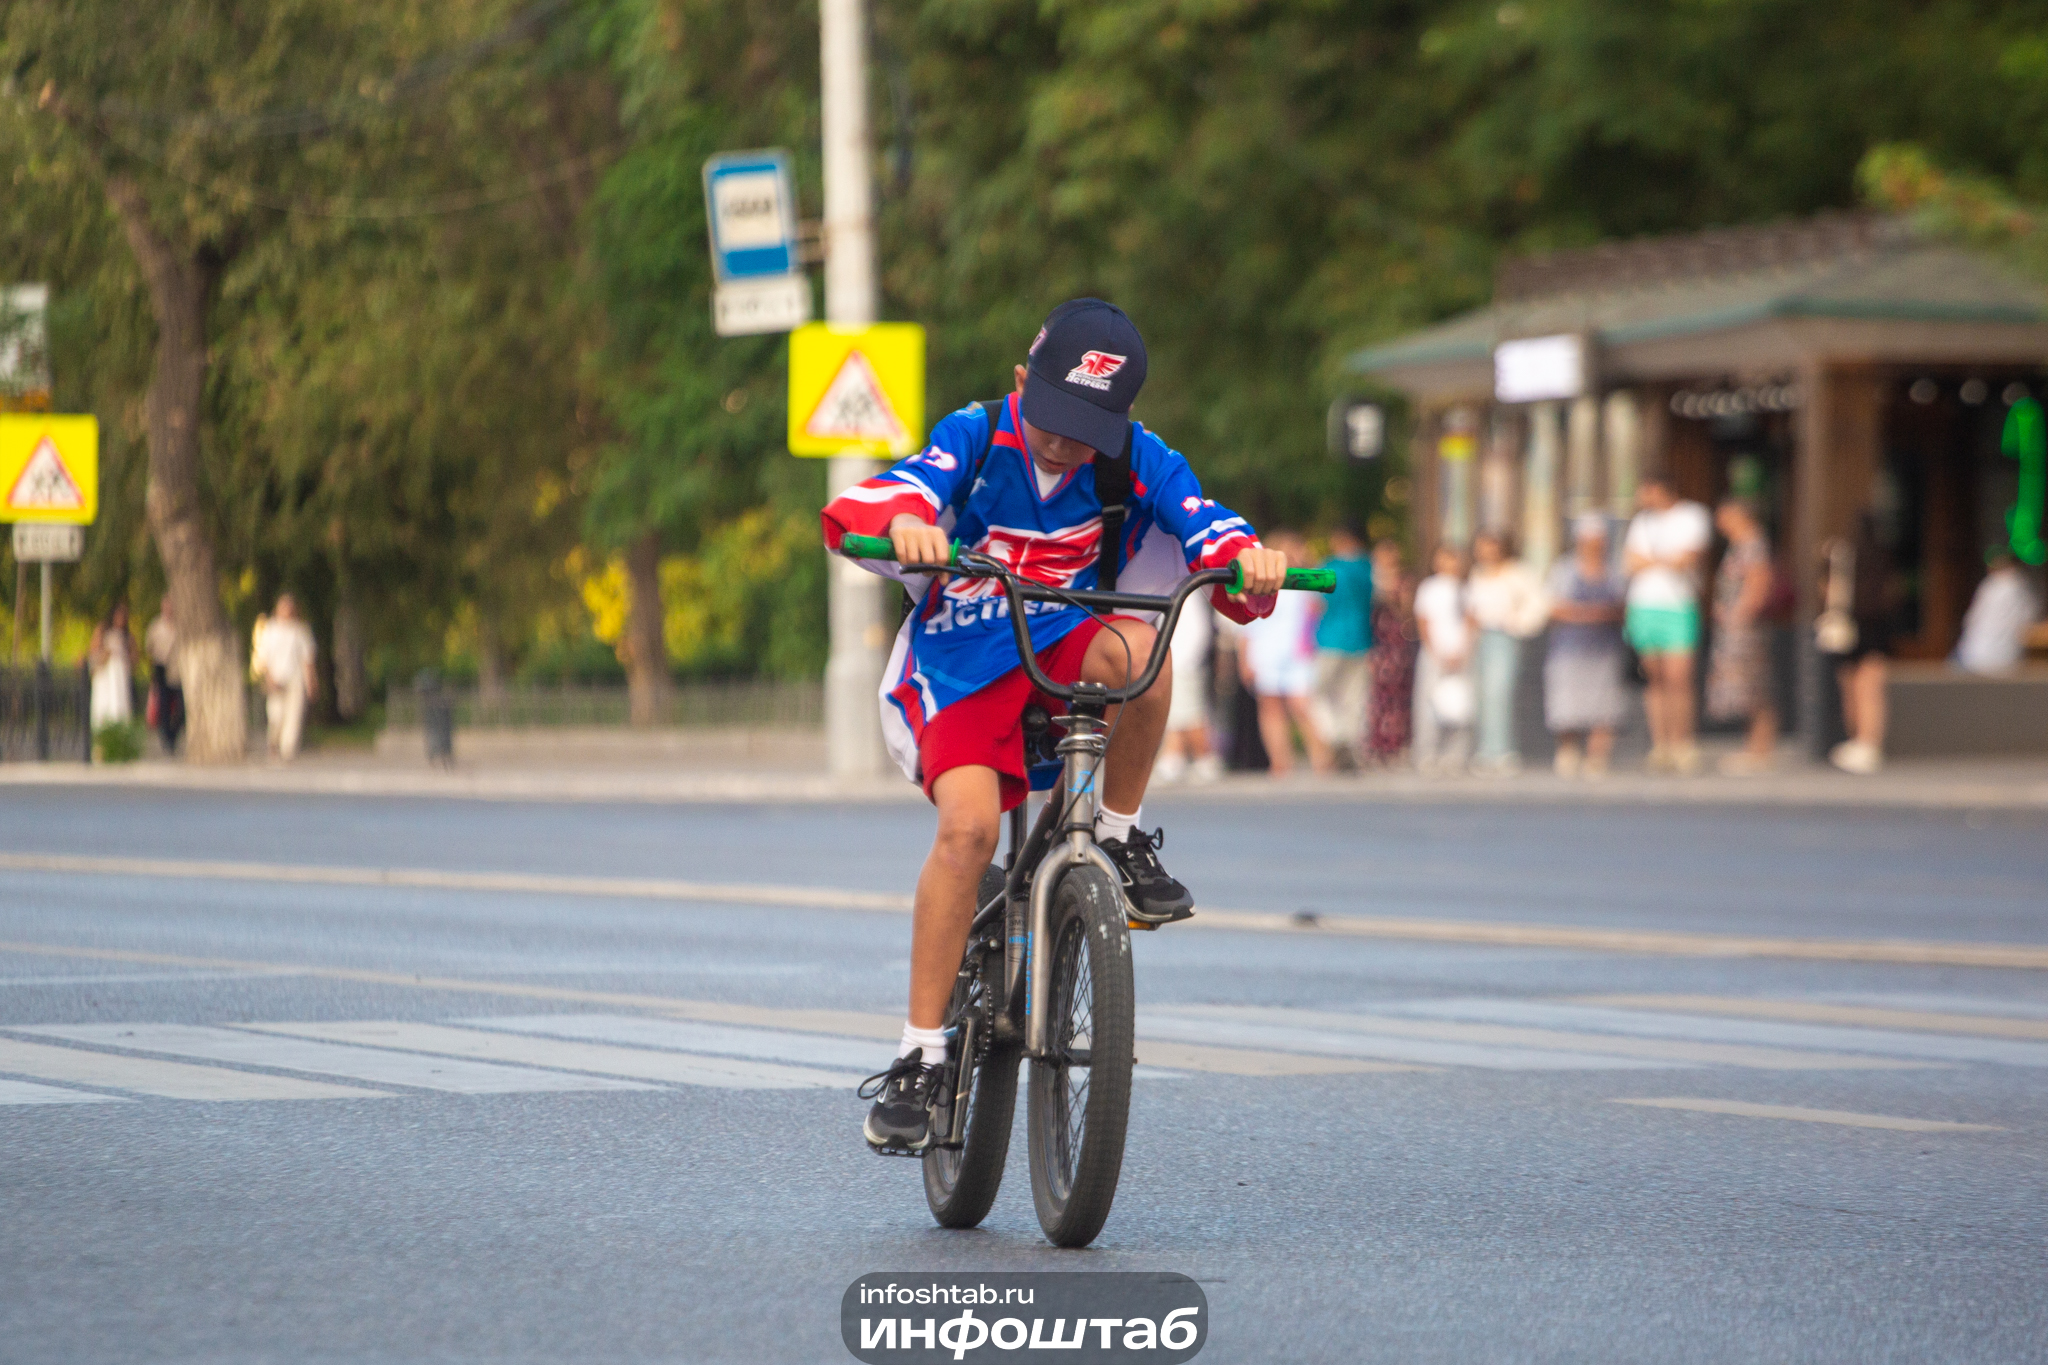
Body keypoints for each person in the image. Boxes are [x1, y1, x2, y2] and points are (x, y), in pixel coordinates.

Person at [821, 298, 1287, 1154]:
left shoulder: (1136, 457)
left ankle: (1116, 835)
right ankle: (919, 1057)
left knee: (1144, 650)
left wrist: (1247, 559)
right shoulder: (975, 434)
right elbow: (896, 493)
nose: (1068, 444)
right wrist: (909, 527)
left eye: (1089, 430)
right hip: (962, 662)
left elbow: (1204, 521)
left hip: (1062, 639)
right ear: (1020, 381)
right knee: (968, 832)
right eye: (1054, 419)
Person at [1623, 474, 1712, 773]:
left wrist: (1652, 561)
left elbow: (1689, 558)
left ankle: (1682, 743)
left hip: (1678, 605)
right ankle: (1660, 744)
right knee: (1654, 677)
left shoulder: (1692, 515)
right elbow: (1631, 562)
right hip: (1643, 605)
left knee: (1679, 677)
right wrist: (1666, 560)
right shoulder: (1641, 522)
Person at [1240, 530, 1333, 778]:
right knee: (1271, 708)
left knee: (1302, 706)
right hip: (1265, 652)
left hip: (1298, 655)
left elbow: (1319, 613)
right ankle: (1280, 761)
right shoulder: (1260, 584)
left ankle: (1322, 758)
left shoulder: (1306, 582)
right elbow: (1248, 626)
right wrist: (1245, 659)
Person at [1543, 514, 1628, 777]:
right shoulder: (1564, 569)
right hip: (1569, 648)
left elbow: (1623, 607)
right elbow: (1553, 607)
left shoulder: (1614, 570)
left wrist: (1589, 613)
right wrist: (1591, 614)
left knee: (1604, 701)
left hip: (1604, 647)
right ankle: (1568, 750)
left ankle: (1597, 755)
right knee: (1567, 699)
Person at [1705, 498, 1779, 774]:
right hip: (1733, 628)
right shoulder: (1739, 545)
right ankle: (1753, 746)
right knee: (1745, 689)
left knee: (1754, 686)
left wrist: (1740, 614)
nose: (1719, 523)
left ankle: (1761, 749)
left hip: (1746, 631)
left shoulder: (1753, 544)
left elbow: (1759, 583)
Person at [1466, 528, 1547, 774]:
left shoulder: (1517, 573)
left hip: (1504, 637)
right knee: (1480, 694)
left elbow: (1538, 604)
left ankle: (1502, 750)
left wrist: (1516, 623)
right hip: (1479, 638)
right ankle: (1484, 749)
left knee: (1499, 692)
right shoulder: (1475, 574)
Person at [1821, 511, 1896, 775]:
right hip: (1874, 628)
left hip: (1851, 627)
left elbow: (1828, 589)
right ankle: (1868, 742)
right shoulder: (1881, 557)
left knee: (1853, 688)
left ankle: (1859, 740)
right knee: (1870, 689)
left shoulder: (1841, 554)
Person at [1309, 524, 1374, 769]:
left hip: (1331, 638)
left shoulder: (1330, 566)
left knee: (1318, 694)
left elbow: (1317, 604)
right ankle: (1350, 739)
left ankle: (1335, 736)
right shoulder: (1368, 567)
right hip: (1361, 638)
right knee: (1354, 697)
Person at [1412, 542, 1473, 774]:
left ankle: (1455, 754)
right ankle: (1427, 753)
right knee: (1428, 705)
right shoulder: (1428, 588)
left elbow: (1471, 621)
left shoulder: (1465, 588)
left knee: (1460, 705)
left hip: (1460, 655)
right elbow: (1423, 621)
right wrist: (1435, 652)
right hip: (1434, 654)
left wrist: (1462, 651)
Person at [1152, 591, 1222, 783]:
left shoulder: (1188, 595)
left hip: (1182, 663)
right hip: (1176, 662)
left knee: (1191, 714)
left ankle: (1204, 758)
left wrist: (1181, 662)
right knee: (1177, 713)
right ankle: (1174, 758)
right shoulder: (1181, 592)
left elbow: (1198, 631)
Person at [1365, 541, 1418, 767]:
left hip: (1397, 644)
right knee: (1378, 697)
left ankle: (1396, 745)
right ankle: (1377, 745)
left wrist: (1394, 595)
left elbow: (1407, 612)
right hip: (1378, 643)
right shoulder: (1369, 578)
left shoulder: (1404, 581)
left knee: (1398, 697)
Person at [252, 593, 318, 761]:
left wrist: (311, 681)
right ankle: (273, 744)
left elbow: (307, 659)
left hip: (295, 678)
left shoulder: (300, 630)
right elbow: (263, 657)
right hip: (276, 676)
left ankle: (288, 750)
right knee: (276, 714)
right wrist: (268, 678)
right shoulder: (270, 629)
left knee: (294, 715)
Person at [1955, 548, 2040, 674]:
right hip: (2003, 657)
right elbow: (2032, 618)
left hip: (1977, 656)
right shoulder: (2019, 586)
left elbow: (1970, 620)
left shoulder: (1992, 585)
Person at [144, 599, 185, 754]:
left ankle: (173, 733)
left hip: (178, 670)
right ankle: (167, 739)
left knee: (182, 706)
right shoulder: (156, 626)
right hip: (162, 668)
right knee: (163, 705)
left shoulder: (181, 625)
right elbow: (149, 649)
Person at [87, 603, 135, 732]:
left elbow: (134, 656)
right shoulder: (103, 630)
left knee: (118, 703)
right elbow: (94, 651)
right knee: (104, 704)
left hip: (119, 675)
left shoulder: (126, 635)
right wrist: (106, 654)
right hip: (105, 674)